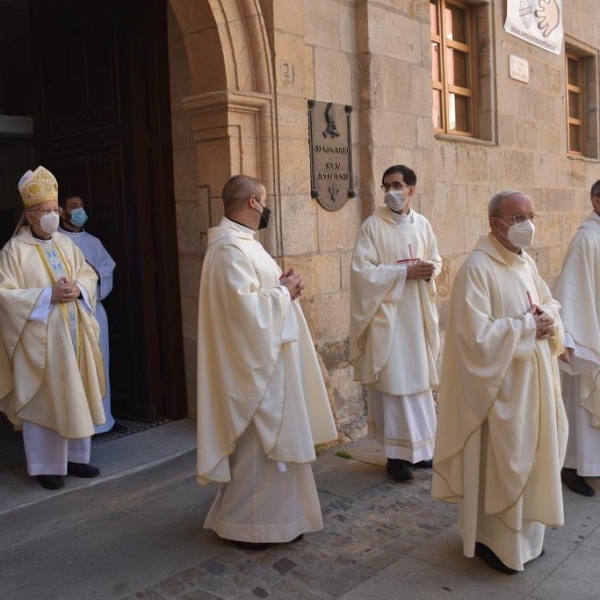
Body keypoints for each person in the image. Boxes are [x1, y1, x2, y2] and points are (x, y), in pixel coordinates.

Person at [196, 174, 338, 547]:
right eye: (264, 199)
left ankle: (282, 520)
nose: (267, 205)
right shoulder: (228, 249)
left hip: (272, 360)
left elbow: (262, 293)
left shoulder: (247, 244)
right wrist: (282, 292)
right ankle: (250, 526)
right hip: (254, 369)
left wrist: (285, 286)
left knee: (277, 447)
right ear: (253, 203)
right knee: (260, 450)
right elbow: (243, 312)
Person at [432, 190, 567, 574]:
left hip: (533, 384)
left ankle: (527, 541)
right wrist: (528, 326)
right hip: (499, 393)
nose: (528, 224)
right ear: (494, 222)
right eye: (517, 216)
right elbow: (472, 339)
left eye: (530, 215)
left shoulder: (525, 263)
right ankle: (495, 541)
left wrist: (548, 320)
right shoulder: (477, 268)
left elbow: (548, 302)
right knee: (503, 463)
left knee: (535, 456)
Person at [0, 166, 106, 490]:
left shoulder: (66, 245)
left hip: (74, 338)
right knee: (46, 399)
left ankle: (77, 457)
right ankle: (45, 465)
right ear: (29, 215)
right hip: (40, 344)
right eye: (43, 211)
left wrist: (79, 289)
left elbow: (88, 275)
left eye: (54, 210)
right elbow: (5, 295)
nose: (51, 216)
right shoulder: (13, 251)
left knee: (77, 394)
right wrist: (49, 295)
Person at [349, 165, 441, 482]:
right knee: (394, 384)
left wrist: (431, 270)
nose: (391, 192)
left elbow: (436, 258)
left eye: (398, 185)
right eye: (386, 186)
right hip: (388, 319)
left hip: (416, 315)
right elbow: (362, 273)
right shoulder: (373, 226)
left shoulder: (423, 225)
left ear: (412, 189)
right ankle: (395, 457)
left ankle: (420, 451)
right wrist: (403, 273)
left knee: (418, 385)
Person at [554, 180, 600, 497]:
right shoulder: (586, 239)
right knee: (582, 403)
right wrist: (567, 335)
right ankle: (572, 466)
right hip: (588, 333)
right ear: (596, 202)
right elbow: (569, 287)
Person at [59, 194, 119, 434]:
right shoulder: (55, 242)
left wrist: (92, 274)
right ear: (63, 212)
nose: (80, 210)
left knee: (98, 365)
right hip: (64, 312)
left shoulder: (93, 242)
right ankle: (76, 425)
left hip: (93, 309)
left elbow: (107, 271)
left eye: (82, 206)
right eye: (74, 206)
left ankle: (102, 421)